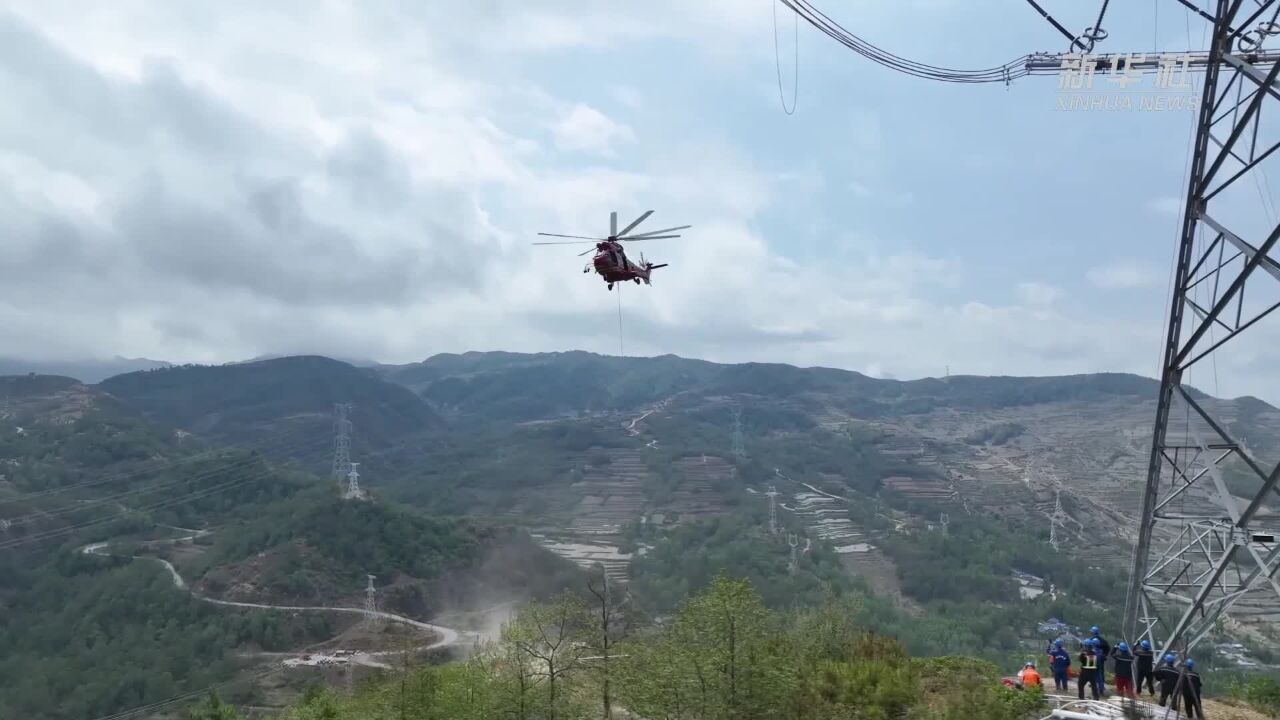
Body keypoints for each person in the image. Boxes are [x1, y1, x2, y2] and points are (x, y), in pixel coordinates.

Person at [1090, 626, 1111, 697]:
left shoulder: (1091, 640)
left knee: (1093, 672)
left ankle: (1095, 687)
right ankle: (1101, 686)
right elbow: (1108, 647)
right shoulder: (1103, 640)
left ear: (1093, 632)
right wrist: (1105, 655)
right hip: (1101, 658)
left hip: (1093, 659)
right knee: (1100, 672)